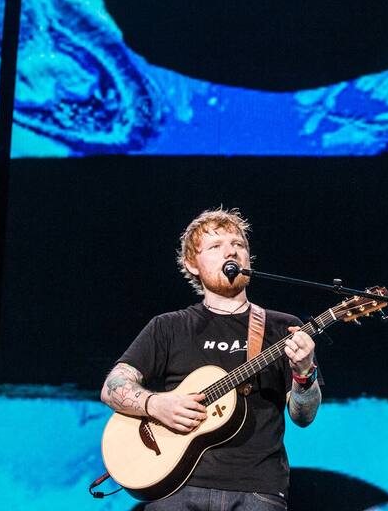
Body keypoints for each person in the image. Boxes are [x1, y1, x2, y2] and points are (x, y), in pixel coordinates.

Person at [101, 208, 321, 509]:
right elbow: (113, 384)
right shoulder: (168, 326)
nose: (230, 252)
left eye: (238, 245)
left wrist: (304, 372)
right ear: (192, 264)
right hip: (175, 489)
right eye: (216, 247)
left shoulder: (282, 328)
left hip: (258, 490)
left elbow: (303, 416)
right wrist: (156, 404)